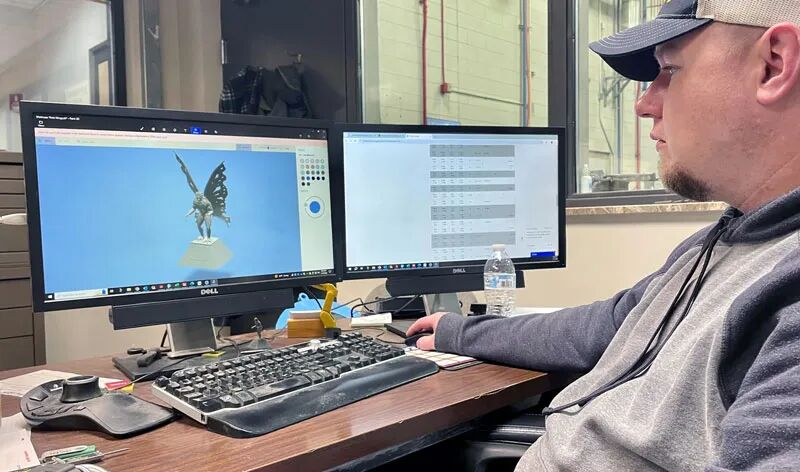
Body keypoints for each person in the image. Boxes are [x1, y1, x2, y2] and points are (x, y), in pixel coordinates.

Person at [407, 1, 800, 470]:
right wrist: (458, 332)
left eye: (670, 70)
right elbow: (609, 324)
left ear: (774, 63)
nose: (643, 104)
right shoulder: (727, 240)